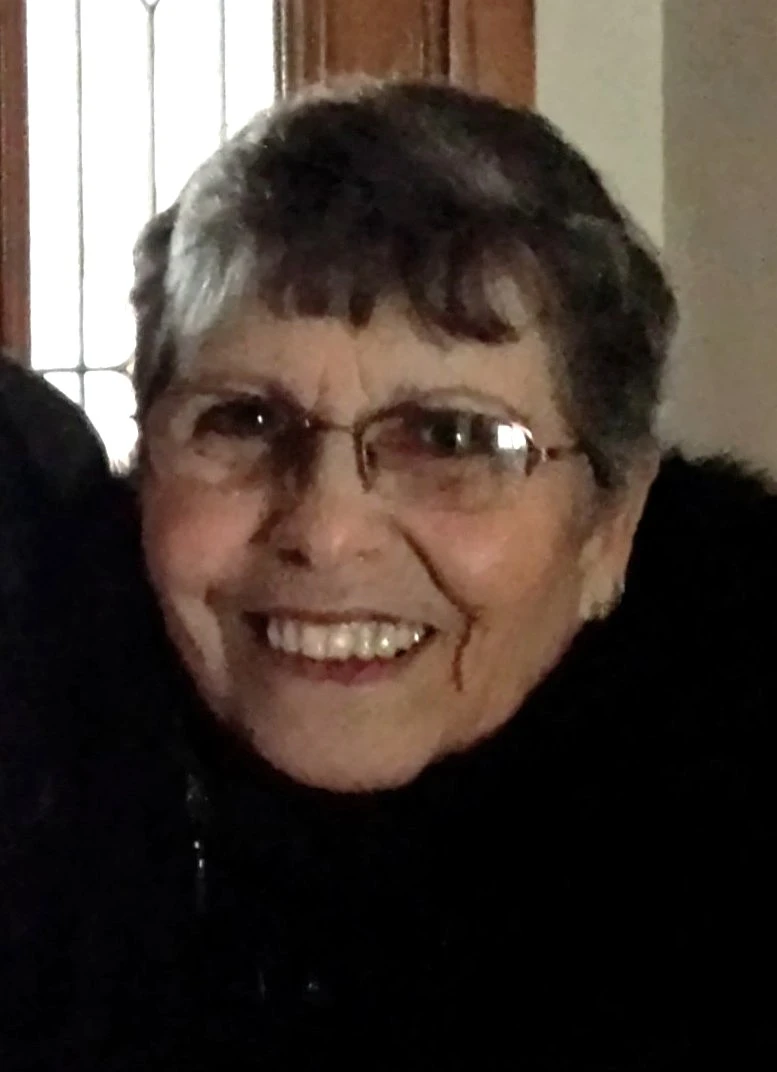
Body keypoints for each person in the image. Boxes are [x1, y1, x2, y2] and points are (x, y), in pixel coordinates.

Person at [2, 81, 775, 1069]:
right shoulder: (45, 765)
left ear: (609, 531)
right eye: (244, 420)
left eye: (452, 438)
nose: (326, 533)